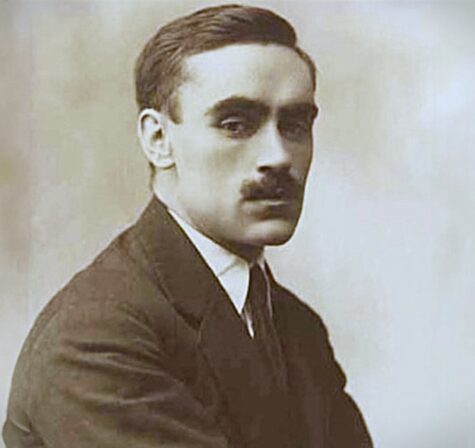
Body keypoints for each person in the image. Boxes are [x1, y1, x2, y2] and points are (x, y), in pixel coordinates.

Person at [3, 4, 373, 448]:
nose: (278, 156)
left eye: (294, 125)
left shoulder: (295, 326)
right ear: (158, 140)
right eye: (236, 125)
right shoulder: (96, 336)